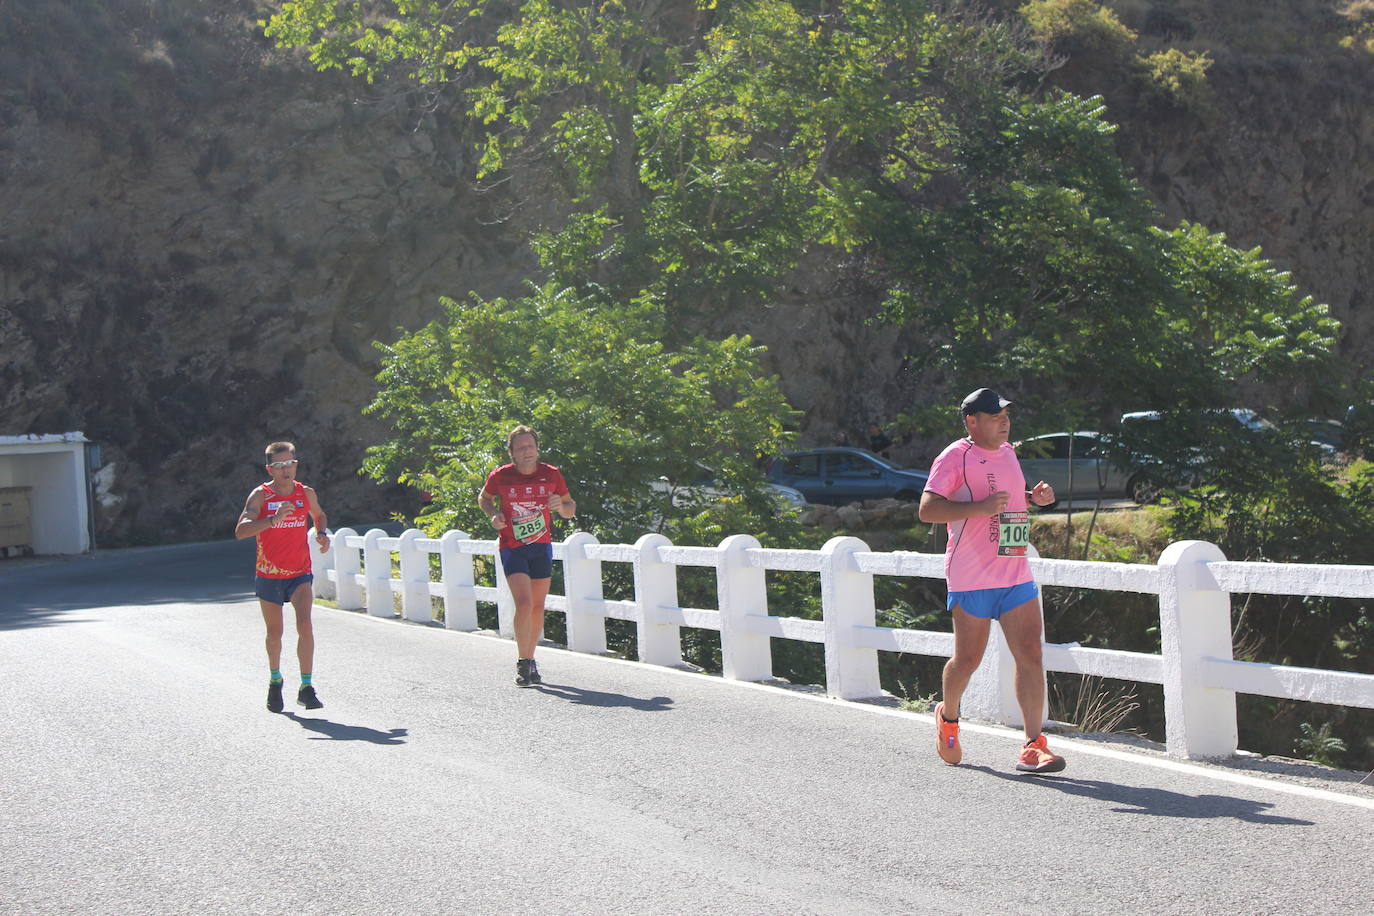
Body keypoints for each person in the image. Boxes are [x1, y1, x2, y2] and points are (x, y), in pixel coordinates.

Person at [917, 388, 1065, 773]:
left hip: (1014, 571)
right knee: (968, 660)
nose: (1004, 421)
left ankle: (1034, 745)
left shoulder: (1010, 453)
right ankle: (948, 718)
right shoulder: (955, 457)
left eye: (1006, 415)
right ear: (972, 421)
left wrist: (1036, 498)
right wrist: (978, 509)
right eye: (995, 415)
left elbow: (1011, 501)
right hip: (971, 576)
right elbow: (927, 509)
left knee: (1031, 653)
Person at [234, 442, 331, 713]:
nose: (285, 469)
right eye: (278, 465)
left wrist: (322, 533)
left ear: (296, 464)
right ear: (269, 469)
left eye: (289, 463)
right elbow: (241, 531)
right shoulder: (261, 496)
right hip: (269, 574)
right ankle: (275, 680)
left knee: (305, 624)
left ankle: (307, 688)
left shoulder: (305, 493)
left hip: (300, 572)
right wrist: (273, 520)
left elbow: (319, 515)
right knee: (275, 633)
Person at [478, 425, 577, 687]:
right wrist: (493, 515)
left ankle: (531, 659)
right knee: (523, 602)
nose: (527, 452)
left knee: (536, 606)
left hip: (541, 546)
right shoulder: (501, 476)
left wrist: (561, 507)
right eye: (521, 448)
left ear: (537, 449)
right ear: (511, 452)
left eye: (531, 446)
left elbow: (570, 507)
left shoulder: (552, 474)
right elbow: (484, 498)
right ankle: (523, 663)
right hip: (512, 546)